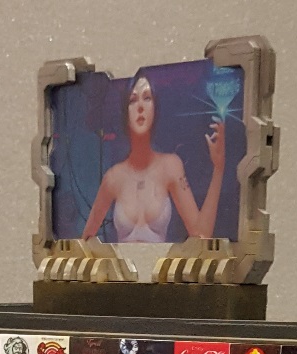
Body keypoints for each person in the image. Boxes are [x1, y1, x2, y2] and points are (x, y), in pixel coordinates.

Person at [81, 71, 226, 245]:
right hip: (122, 262)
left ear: (155, 108)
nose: (140, 107)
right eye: (133, 100)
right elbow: (84, 243)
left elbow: (201, 235)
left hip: (161, 262)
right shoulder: (113, 177)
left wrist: (218, 168)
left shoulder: (170, 166)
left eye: (147, 98)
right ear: (126, 112)